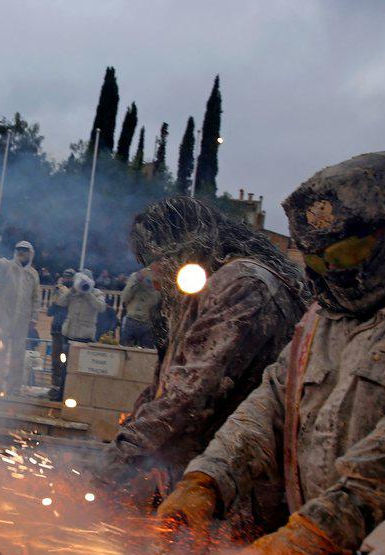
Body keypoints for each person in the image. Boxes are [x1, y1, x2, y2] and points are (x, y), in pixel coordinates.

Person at [157, 152, 385, 555]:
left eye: (346, 254)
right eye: (318, 262)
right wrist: (208, 478)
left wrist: (319, 531)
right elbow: (274, 399)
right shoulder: (327, 312)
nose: (335, 274)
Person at [97, 197, 309, 513]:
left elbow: (189, 392)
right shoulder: (207, 286)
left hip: (237, 488)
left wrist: (110, 465)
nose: (153, 276)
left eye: (156, 260)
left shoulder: (243, 284)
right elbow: (167, 385)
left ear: (184, 246)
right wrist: (132, 438)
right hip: (205, 478)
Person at [0, 237, 40, 394]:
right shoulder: (6, 266)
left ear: (30, 254)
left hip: (22, 321)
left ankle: (14, 388)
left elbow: (36, 298)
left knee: (18, 355)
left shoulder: (33, 274)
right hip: (4, 317)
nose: (22, 253)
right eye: (19, 250)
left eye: (25, 251)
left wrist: (34, 318)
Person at [52, 269, 107, 399]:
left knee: (81, 369)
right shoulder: (73, 292)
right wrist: (72, 291)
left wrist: (88, 293)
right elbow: (60, 302)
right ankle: (62, 393)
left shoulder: (96, 293)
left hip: (85, 337)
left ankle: (78, 395)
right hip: (69, 335)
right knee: (64, 366)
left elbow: (101, 307)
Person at [47, 268, 75, 400]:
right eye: (65, 277)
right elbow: (51, 310)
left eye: (69, 277)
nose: (67, 279)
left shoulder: (74, 293)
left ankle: (63, 387)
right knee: (55, 361)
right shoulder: (58, 291)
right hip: (57, 330)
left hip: (68, 332)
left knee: (65, 362)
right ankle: (55, 386)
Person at [119, 269, 160, 348]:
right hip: (131, 320)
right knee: (125, 352)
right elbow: (125, 297)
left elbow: (156, 301)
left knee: (146, 355)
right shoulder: (134, 277)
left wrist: (155, 286)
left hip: (147, 323)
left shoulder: (159, 280)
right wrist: (137, 281)